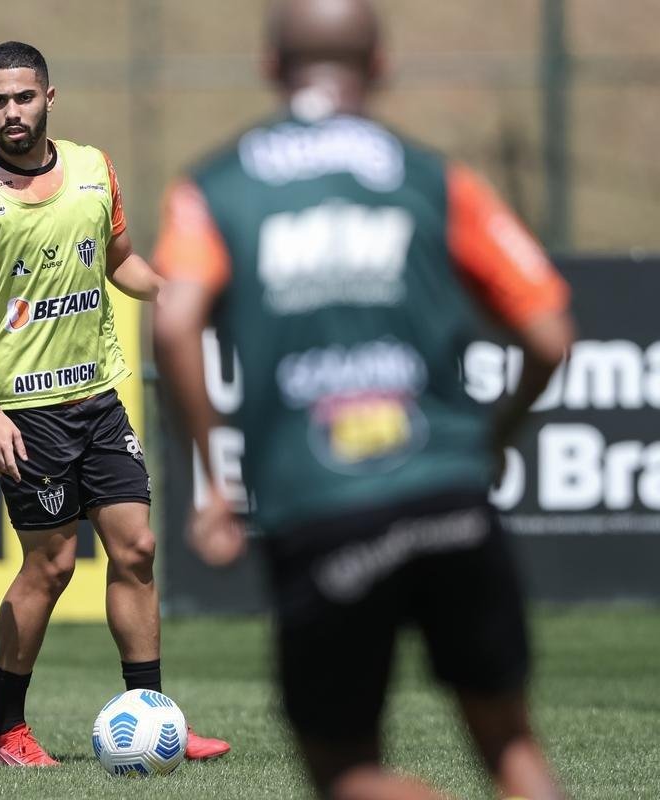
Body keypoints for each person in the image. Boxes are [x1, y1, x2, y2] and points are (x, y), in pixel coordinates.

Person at [153, 1, 573, 798]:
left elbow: (173, 325)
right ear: (379, 65)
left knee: (344, 769)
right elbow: (550, 335)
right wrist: (490, 439)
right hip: (448, 493)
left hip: (320, 509)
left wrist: (211, 481)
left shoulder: (214, 187)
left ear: (269, 67)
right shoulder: (434, 178)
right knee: (511, 745)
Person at [0, 41, 230, 767]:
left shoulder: (95, 171)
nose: (12, 111)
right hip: (25, 413)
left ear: (48, 97)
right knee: (52, 565)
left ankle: (152, 716)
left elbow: (120, 259)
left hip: (96, 398)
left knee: (136, 548)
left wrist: (181, 299)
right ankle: (5, 730)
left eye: (23, 97)